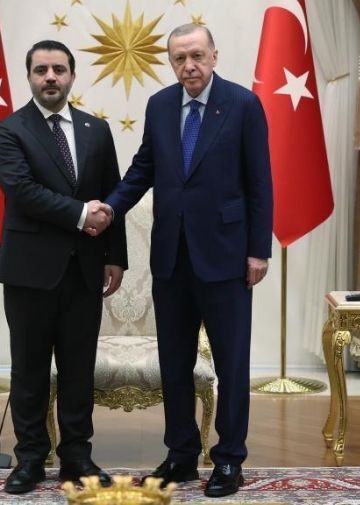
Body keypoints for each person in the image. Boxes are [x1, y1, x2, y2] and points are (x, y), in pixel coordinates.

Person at [100, 24, 273, 498]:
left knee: (231, 363)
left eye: (196, 55)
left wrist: (259, 250)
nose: (189, 66)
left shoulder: (243, 105)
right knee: (174, 363)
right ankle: (180, 454)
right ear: (171, 62)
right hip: (171, 258)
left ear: (214, 55)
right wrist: (110, 208)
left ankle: (229, 458)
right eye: (179, 58)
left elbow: (260, 182)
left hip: (227, 257)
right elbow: (143, 169)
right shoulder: (159, 105)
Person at [0, 39, 128, 495]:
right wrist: (81, 214)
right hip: (29, 272)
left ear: (71, 75)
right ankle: (30, 459)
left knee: (77, 370)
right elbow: (22, 190)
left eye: (58, 69)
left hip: (85, 271)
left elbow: (112, 193)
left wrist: (115, 256)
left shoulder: (96, 130)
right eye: (41, 70)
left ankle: (77, 457)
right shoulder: (9, 130)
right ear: (29, 77)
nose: (50, 77)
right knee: (29, 370)